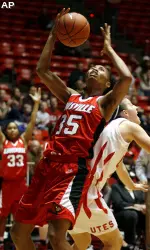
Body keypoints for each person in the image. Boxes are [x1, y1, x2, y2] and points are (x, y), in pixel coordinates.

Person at [11, 8, 132, 250]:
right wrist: (53, 35)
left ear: (108, 84)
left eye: (101, 69)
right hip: (47, 166)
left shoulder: (105, 102)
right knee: (17, 233)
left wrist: (109, 51)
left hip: (71, 170)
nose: (94, 69)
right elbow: (42, 71)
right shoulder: (71, 96)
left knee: (57, 238)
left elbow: (127, 77)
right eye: (92, 68)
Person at [69, 98, 149, 250]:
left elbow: (119, 167)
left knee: (82, 243)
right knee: (114, 242)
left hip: (73, 190)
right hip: (87, 190)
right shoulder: (128, 125)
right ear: (125, 113)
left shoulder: (111, 131)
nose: (137, 108)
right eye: (133, 105)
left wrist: (132, 185)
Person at [0, 88, 41, 246]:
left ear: (18, 130)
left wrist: (36, 104)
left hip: (21, 184)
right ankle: (1, 242)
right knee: (2, 216)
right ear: (6, 130)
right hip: (7, 184)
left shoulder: (23, 141)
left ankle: (17, 240)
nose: (11, 130)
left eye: (14, 128)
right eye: (9, 128)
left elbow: (31, 122)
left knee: (20, 216)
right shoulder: (3, 142)